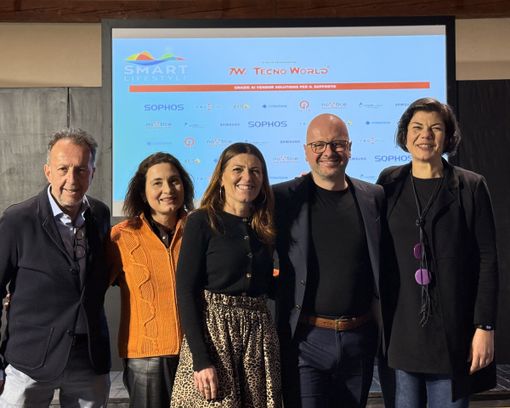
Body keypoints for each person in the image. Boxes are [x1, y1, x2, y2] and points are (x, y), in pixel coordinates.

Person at [377, 97, 498, 407]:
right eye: (417, 127)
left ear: (448, 136)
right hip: (402, 332)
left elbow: (487, 260)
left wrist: (484, 326)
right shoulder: (389, 183)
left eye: (436, 128)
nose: (426, 135)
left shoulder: (471, 186)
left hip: (453, 334)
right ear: (405, 135)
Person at [273, 113, 386, 408]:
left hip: (359, 338)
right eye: (319, 145)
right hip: (306, 341)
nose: (329, 152)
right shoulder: (283, 198)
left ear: (349, 148)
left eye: (337, 143)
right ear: (306, 151)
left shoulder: (374, 197)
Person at [0, 128, 111, 407]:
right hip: (29, 362)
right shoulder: (17, 220)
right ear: (48, 171)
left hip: (88, 360)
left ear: (92, 173)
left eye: (81, 170)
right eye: (63, 169)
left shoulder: (100, 214)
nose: (71, 180)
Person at [171, 142, 281, 408]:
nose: (247, 177)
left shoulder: (265, 225)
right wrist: (201, 360)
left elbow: (269, 286)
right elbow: (185, 291)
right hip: (215, 338)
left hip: (258, 340)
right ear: (221, 177)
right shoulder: (201, 221)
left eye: (255, 171)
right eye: (238, 169)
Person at [108, 152, 194, 407]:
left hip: (197, 354)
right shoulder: (121, 237)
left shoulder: (201, 230)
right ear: (143, 193)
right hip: (146, 358)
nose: (168, 189)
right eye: (157, 183)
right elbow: (90, 286)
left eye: (174, 181)